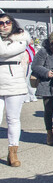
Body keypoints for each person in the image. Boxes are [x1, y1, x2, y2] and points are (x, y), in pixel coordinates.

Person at [0, 14, 31, 167]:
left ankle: (13, 152)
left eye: (7, 22)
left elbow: (4, 52)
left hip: (14, 82)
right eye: (1, 23)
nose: (4, 25)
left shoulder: (21, 37)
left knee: (13, 119)